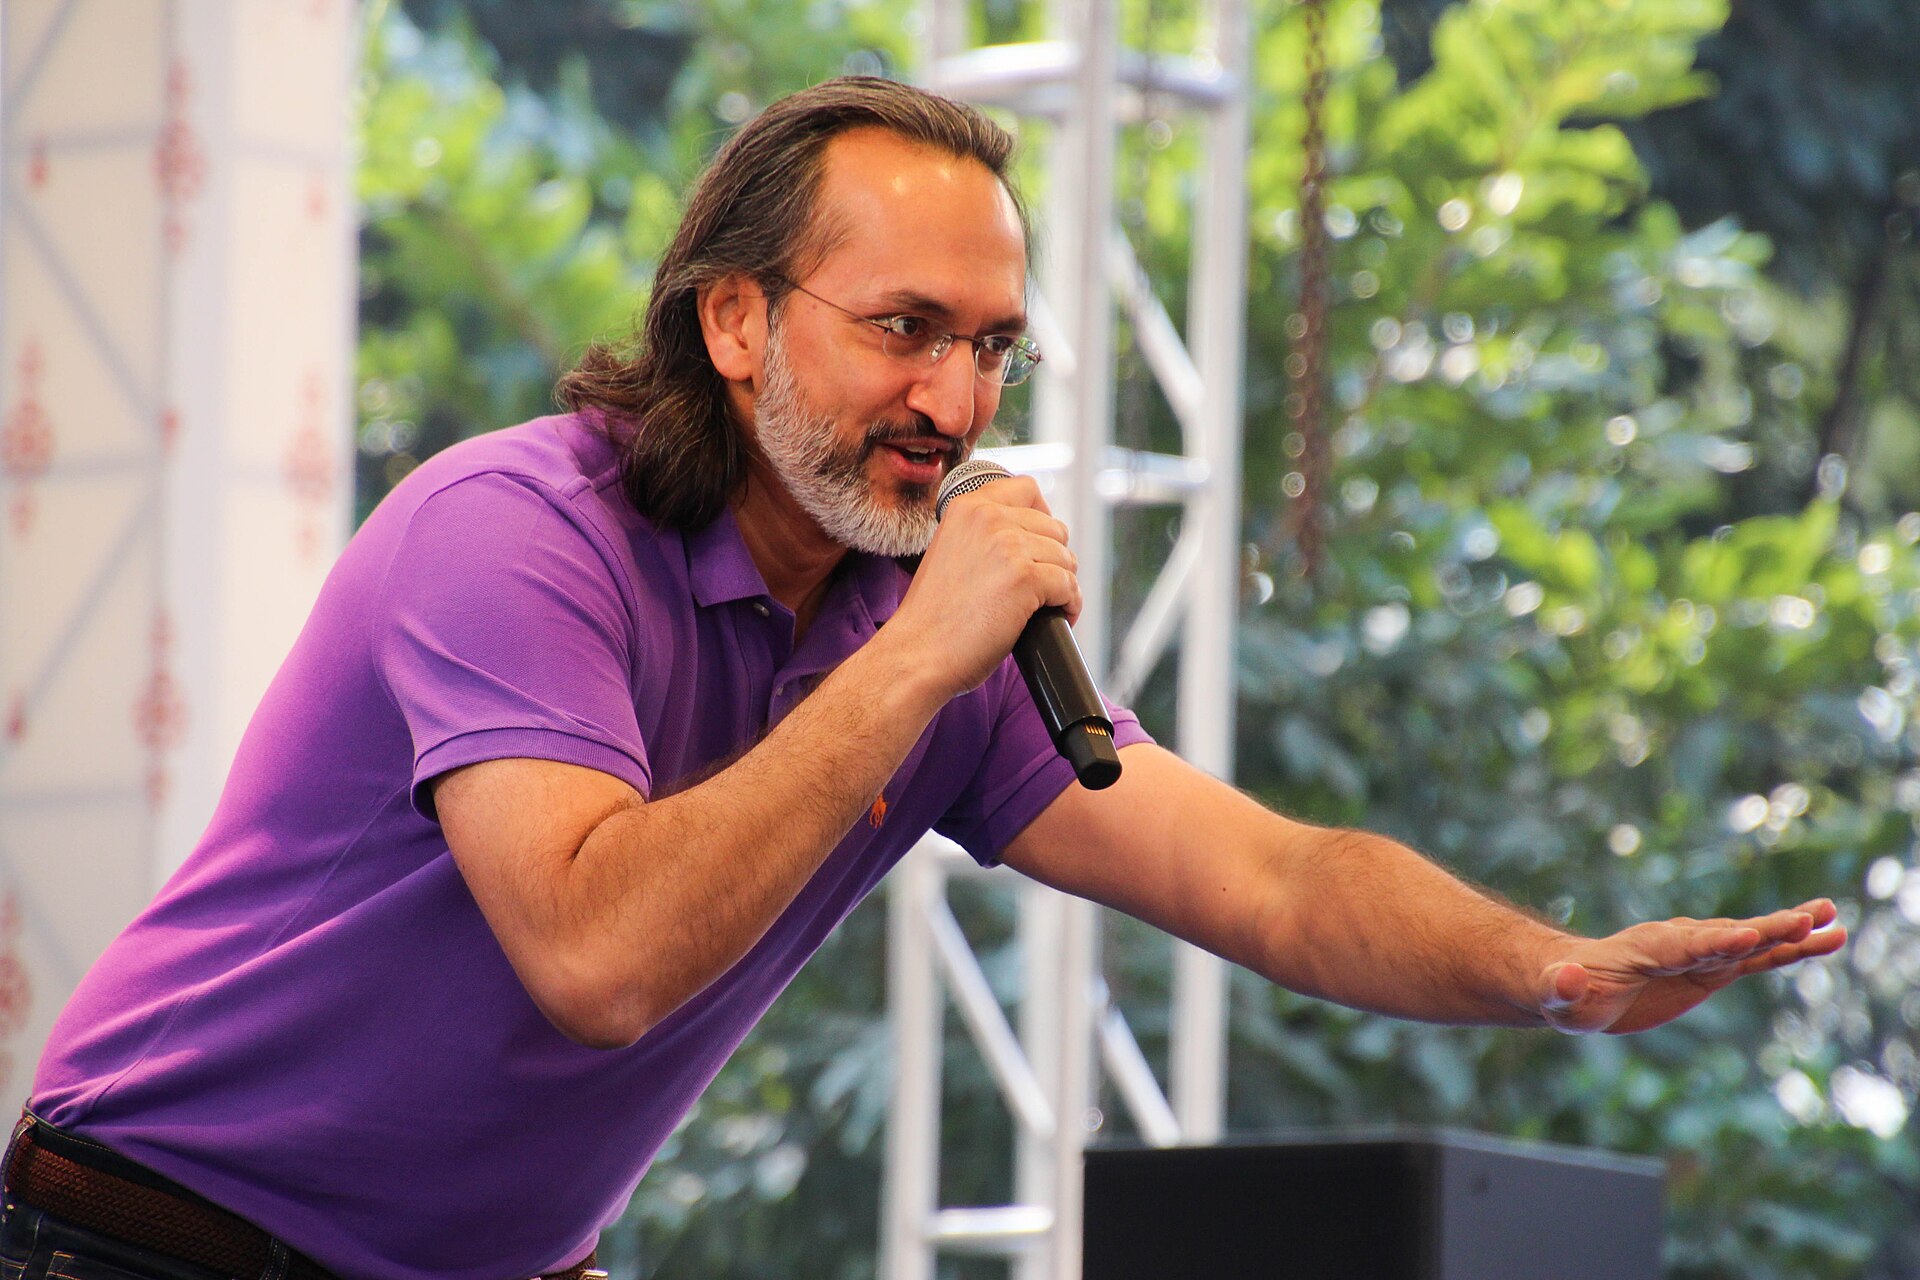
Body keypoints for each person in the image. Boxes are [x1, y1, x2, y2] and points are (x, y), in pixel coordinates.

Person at [9, 77, 1843, 1280]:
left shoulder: (933, 630)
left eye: (991, 351)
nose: (956, 406)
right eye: (902, 330)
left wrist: (1551, 975)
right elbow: (598, 960)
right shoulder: (513, 531)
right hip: (152, 1239)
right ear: (734, 320)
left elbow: (1270, 876)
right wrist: (925, 661)